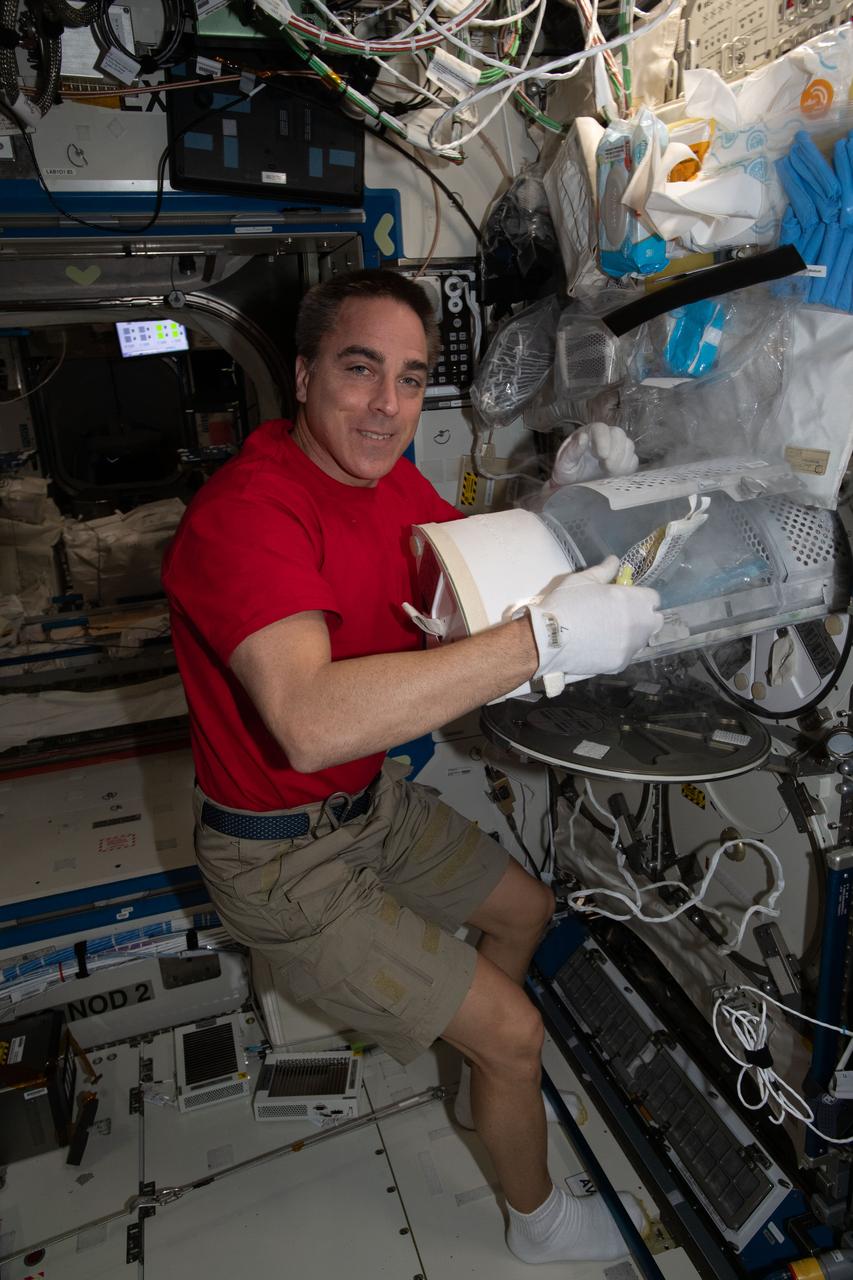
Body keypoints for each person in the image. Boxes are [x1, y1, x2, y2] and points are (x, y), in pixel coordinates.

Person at [162, 269, 662, 1265]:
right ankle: (537, 1219)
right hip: (280, 863)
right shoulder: (249, 513)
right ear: (302, 376)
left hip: (367, 804)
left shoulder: (388, 483)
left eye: (409, 377)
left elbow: (464, 570)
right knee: (516, 1032)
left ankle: (479, 1072)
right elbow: (307, 719)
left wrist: (570, 511)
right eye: (359, 370)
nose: (386, 404)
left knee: (521, 909)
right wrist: (542, 640)